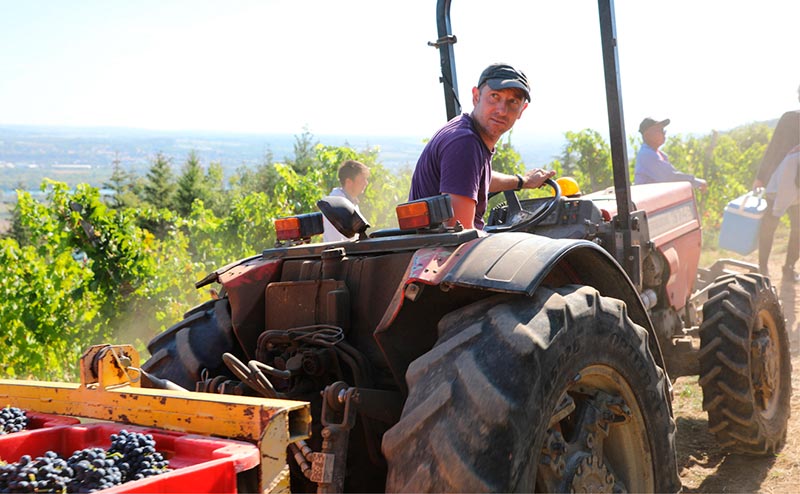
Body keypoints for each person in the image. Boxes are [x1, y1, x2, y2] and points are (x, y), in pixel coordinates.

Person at [409, 63, 555, 230]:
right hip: (444, 252)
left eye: (513, 101)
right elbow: (460, 232)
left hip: (436, 247)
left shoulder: (464, 130)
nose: (502, 110)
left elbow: (473, 180)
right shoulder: (465, 143)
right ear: (476, 96)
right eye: (494, 96)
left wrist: (523, 181)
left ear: (522, 109)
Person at [755, 86, 800, 281]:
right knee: (769, 225)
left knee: (799, 228)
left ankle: (789, 267)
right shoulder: (789, 119)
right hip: (780, 183)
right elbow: (774, 148)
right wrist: (761, 177)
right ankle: (763, 268)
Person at [634, 118, 708, 191]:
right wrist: (697, 182)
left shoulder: (660, 154)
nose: (663, 133)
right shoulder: (646, 155)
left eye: (663, 130)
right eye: (659, 130)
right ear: (647, 135)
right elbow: (670, 177)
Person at [322, 160, 370, 242]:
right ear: (349, 182)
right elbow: (334, 240)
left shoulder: (351, 202)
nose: (366, 183)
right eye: (362, 180)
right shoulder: (334, 206)